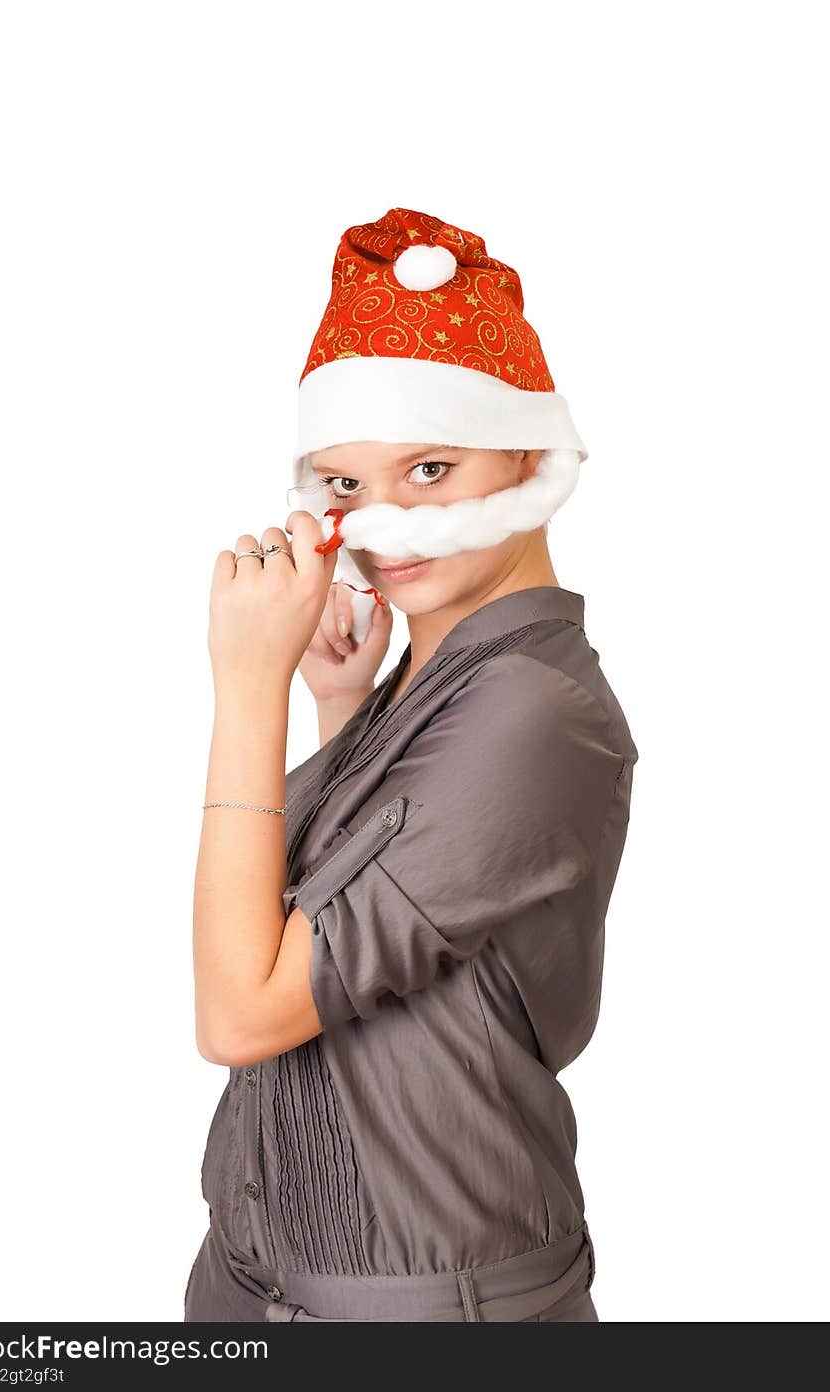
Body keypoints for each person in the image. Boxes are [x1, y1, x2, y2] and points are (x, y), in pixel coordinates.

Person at [184, 208, 639, 1323]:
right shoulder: (433, 681)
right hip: (257, 1273)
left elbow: (240, 1013)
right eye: (342, 485)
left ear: (533, 453)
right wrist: (338, 711)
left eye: (430, 468)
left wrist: (245, 685)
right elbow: (347, 911)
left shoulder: (530, 710)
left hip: (420, 1308)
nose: (383, 520)